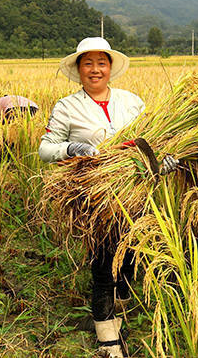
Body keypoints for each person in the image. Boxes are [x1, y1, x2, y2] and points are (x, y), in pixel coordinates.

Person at [39, 37, 177, 358]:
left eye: (102, 62)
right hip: (95, 195)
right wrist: (72, 148)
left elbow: (153, 141)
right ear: (78, 69)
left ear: (111, 67)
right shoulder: (66, 107)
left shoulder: (132, 102)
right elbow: (46, 149)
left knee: (130, 258)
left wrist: (164, 161)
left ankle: (121, 311)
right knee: (103, 263)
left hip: (135, 194)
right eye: (88, 63)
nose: (95, 69)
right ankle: (107, 336)